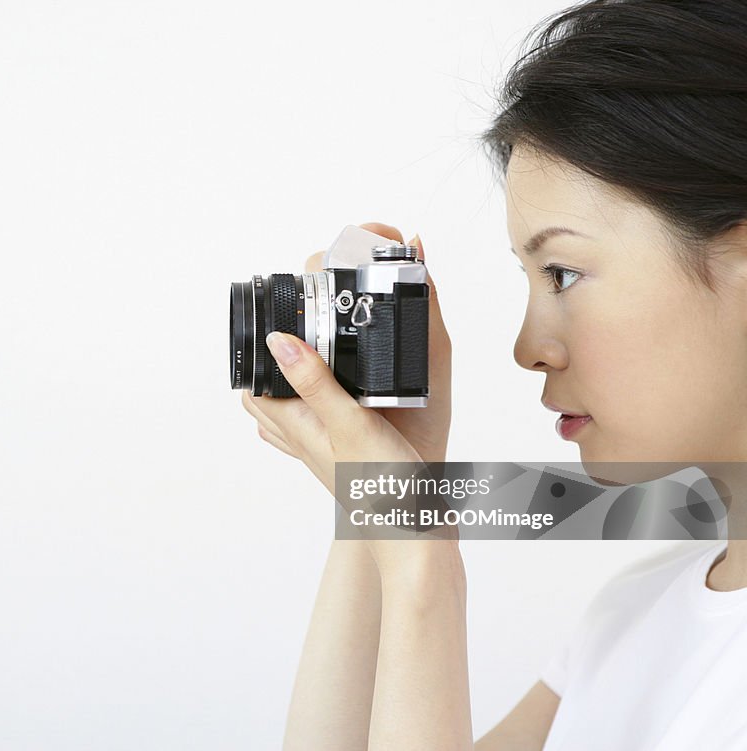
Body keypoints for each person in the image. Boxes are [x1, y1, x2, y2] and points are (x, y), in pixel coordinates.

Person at [239, 1, 747, 749]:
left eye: (563, 272)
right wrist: (388, 482)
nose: (528, 347)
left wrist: (424, 569)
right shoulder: (633, 618)